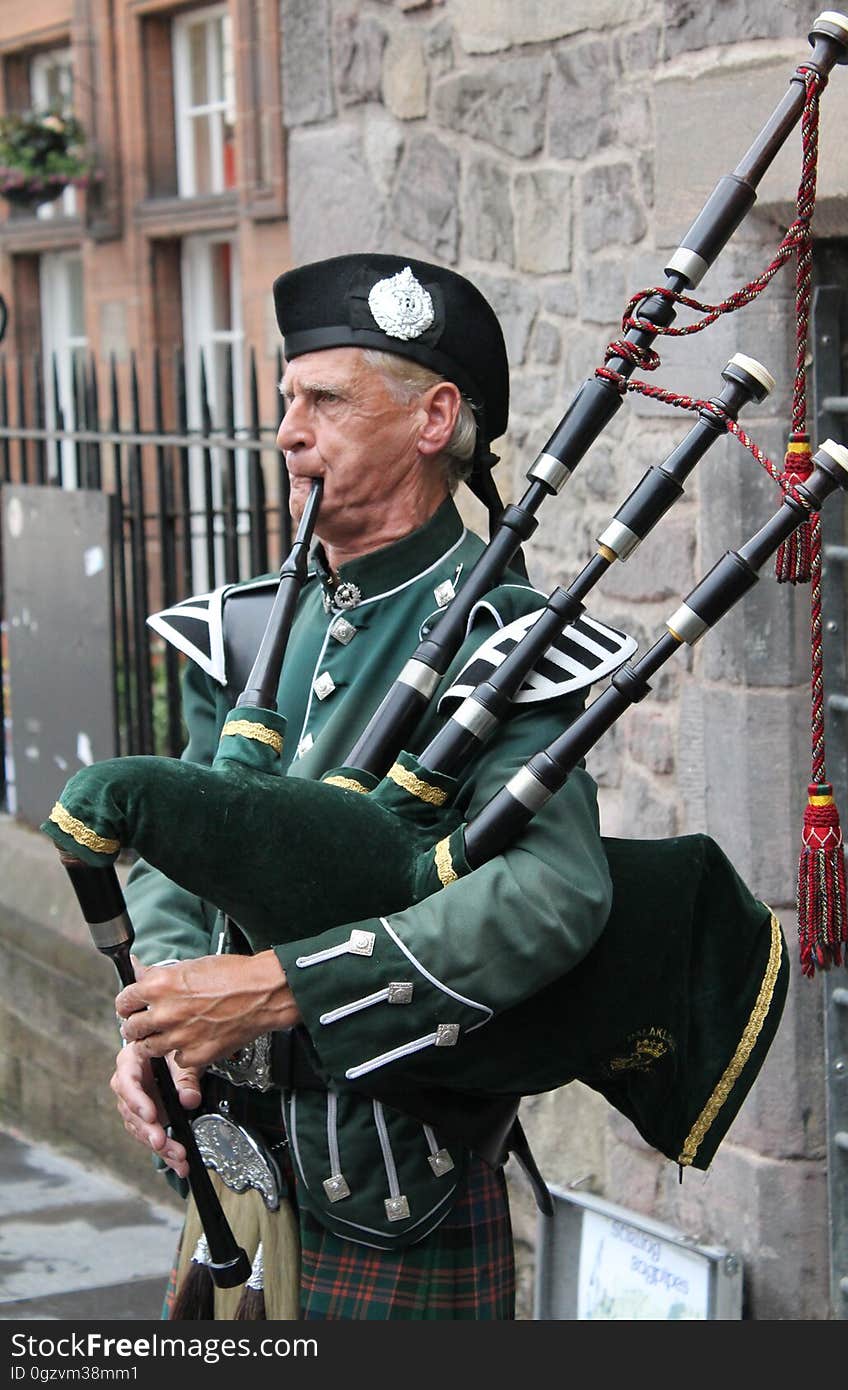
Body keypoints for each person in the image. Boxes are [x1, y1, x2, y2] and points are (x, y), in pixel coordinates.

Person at [110, 252, 613, 1320]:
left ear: (434, 419)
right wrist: (159, 1014)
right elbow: (175, 851)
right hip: (228, 1169)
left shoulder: (506, 640)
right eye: (287, 399)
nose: (288, 430)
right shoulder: (245, 628)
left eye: (326, 400)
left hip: (397, 1180)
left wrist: (294, 984)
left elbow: (552, 891)